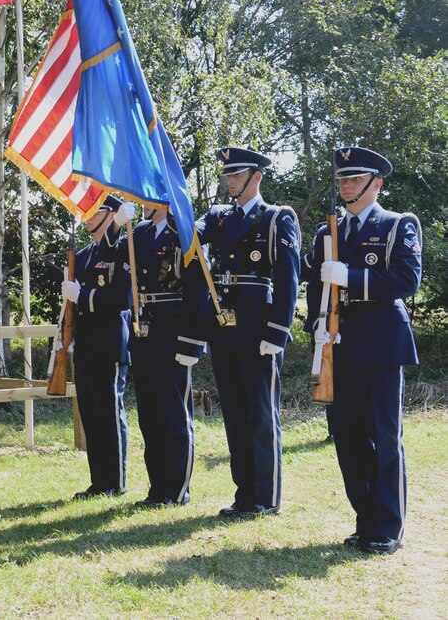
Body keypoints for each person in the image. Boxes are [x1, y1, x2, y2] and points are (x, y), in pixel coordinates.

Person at [305, 146, 421, 554]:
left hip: (382, 343)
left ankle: (388, 527)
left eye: (355, 179)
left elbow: (406, 280)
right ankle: (365, 519)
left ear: (376, 184)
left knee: (384, 437)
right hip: (340, 343)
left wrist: (351, 277)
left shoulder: (397, 226)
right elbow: (317, 287)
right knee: (348, 438)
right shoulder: (327, 233)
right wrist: (316, 329)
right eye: (343, 179)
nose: (347, 186)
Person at [197, 147, 300, 518]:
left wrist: (278, 330)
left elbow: (289, 281)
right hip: (225, 327)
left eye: (236, 175)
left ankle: (266, 496)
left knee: (260, 412)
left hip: (259, 329)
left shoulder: (276, 218)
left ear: (256, 177)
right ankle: (245, 494)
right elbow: (190, 236)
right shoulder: (219, 217)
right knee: (236, 414)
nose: (229, 181)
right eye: (227, 175)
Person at [121, 205, 209, 507]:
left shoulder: (183, 232)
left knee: (174, 414)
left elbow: (199, 290)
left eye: (149, 196)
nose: (143, 201)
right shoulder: (139, 233)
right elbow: (112, 257)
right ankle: (157, 487)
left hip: (173, 333)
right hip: (144, 332)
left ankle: (177, 489)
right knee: (150, 415)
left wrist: (191, 343)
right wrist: (119, 226)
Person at [61, 195, 133, 499]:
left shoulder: (125, 250)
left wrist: (84, 296)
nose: (86, 214)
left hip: (110, 341)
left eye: (94, 210)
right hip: (87, 343)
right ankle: (99, 481)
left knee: (109, 412)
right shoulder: (84, 254)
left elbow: (122, 299)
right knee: (90, 413)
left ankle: (115, 481)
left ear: (111, 215)